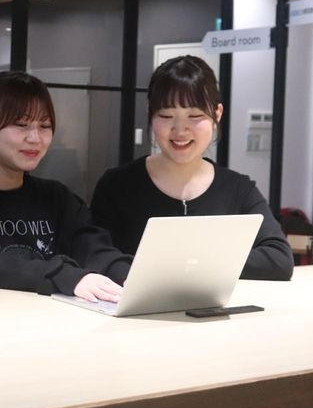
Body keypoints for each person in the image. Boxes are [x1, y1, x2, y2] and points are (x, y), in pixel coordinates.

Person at [90, 56, 293, 281]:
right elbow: (95, 254)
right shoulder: (117, 186)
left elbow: (279, 259)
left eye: (195, 116)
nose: (180, 130)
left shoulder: (238, 189)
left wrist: (193, 262)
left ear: (217, 114)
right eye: (166, 116)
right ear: (150, 113)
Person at [0, 71, 131, 303]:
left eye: (44, 126)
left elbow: (92, 247)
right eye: (21, 125)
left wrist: (128, 275)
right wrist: (67, 277)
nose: (35, 138)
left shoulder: (57, 197)